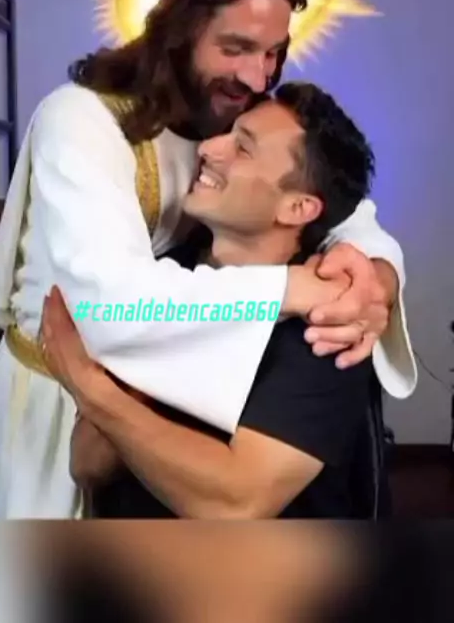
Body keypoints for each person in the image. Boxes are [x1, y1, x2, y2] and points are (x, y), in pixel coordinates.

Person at [0, 0, 415, 519]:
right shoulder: (81, 121)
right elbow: (110, 307)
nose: (257, 77)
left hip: (157, 376)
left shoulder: (233, 110)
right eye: (236, 48)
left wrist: (375, 277)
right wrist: (291, 287)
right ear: (180, 30)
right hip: (56, 393)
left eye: (273, 52)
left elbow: (339, 205)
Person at [43, 82, 407, 518]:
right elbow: (86, 464)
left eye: (243, 148)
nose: (208, 148)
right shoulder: (159, 277)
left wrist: (90, 387)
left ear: (297, 208)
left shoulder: (329, 324)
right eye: (227, 133)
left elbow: (235, 503)